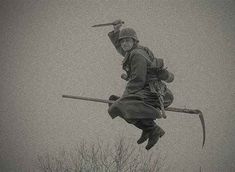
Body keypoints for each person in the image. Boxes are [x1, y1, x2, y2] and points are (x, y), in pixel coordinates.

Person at [107, 20, 174, 150]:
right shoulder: (132, 51)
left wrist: (125, 98)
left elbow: (137, 79)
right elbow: (122, 49)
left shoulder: (137, 54)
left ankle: (153, 129)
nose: (124, 43)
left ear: (134, 41)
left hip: (156, 94)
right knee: (114, 102)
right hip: (146, 92)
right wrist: (116, 31)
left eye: (127, 40)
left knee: (121, 104)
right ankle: (147, 129)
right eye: (122, 41)